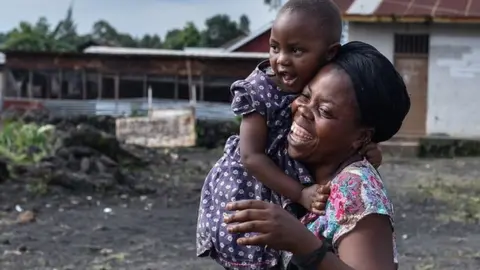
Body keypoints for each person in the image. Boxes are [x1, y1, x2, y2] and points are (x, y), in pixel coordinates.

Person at [196, 1, 383, 269]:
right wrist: (300, 193)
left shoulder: (321, 80)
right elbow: (251, 156)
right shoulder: (259, 90)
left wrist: (368, 150)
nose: (281, 59)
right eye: (274, 47)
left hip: (290, 183)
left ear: (329, 53)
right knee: (257, 245)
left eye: (296, 50)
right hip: (255, 181)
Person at [224, 41, 411, 270]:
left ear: (361, 137)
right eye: (305, 95)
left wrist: (303, 243)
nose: (303, 110)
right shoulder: (301, 172)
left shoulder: (354, 189)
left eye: (324, 111)